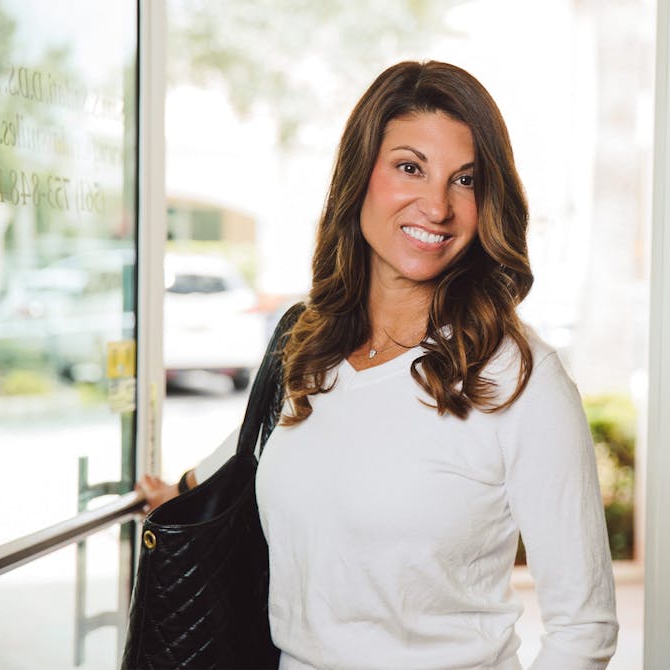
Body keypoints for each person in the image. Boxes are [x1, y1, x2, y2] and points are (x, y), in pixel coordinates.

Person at [139, 60, 618, 669]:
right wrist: (177, 493)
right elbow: (252, 450)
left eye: (465, 180)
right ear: (360, 175)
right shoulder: (308, 347)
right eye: (410, 167)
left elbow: (585, 628)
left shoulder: (519, 379)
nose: (437, 206)